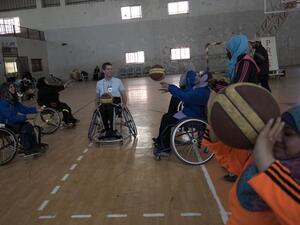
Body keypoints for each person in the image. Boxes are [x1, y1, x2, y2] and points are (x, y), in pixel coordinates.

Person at [227, 105, 300, 225]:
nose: (276, 138)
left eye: (287, 133)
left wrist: (265, 162)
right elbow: (225, 157)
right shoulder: (262, 159)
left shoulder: (265, 158)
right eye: (276, 129)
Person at [153, 70, 210, 154]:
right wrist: (170, 88)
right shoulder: (198, 88)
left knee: (167, 119)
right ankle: (161, 141)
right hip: (190, 113)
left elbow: (186, 96)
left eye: (198, 75)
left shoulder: (202, 92)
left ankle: (165, 149)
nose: (196, 76)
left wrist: (170, 87)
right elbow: (185, 92)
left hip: (192, 116)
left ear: (203, 79)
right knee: (167, 116)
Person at [0, 82, 47, 156]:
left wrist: (35, 109)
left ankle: (34, 146)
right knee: (25, 127)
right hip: (3, 124)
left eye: (13, 87)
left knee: (28, 125)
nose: (13, 88)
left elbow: (23, 109)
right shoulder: (2, 103)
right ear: (5, 90)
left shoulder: (12, 100)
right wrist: (25, 117)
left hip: (10, 121)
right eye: (10, 87)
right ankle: (28, 149)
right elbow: (10, 116)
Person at [95, 62, 127, 137]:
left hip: (115, 101)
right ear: (103, 71)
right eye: (108, 69)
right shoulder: (99, 83)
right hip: (103, 101)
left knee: (110, 107)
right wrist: (96, 106)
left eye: (111, 69)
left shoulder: (118, 81)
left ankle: (112, 130)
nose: (110, 71)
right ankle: (106, 129)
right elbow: (97, 97)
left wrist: (124, 104)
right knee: (102, 108)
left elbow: (123, 95)